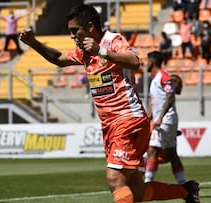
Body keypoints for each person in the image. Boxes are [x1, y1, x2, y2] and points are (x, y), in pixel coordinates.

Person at [19, 4, 200, 203]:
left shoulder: (113, 40)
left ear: (89, 27)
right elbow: (60, 59)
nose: (72, 36)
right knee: (138, 192)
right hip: (112, 125)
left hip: (127, 119)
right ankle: (186, 191)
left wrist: (101, 51)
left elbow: (134, 62)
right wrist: (34, 43)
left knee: (114, 178)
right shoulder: (84, 52)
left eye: (74, 31)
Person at [144, 51, 187, 185]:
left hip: (165, 119)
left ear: (152, 61)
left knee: (152, 151)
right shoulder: (155, 79)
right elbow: (154, 102)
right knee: (172, 153)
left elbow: (170, 95)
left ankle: (147, 183)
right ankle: (184, 185)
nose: (146, 64)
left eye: (147, 61)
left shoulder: (164, 76)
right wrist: (147, 118)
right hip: (164, 120)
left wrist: (160, 117)